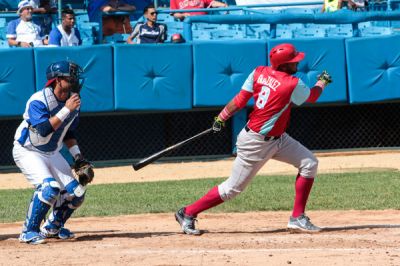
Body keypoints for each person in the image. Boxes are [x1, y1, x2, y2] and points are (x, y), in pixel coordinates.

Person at [174, 43, 333, 235]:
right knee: (231, 189)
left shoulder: (259, 72)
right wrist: (322, 82)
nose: (297, 63)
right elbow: (313, 96)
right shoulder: (292, 83)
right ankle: (187, 212)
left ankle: (297, 218)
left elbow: (240, 99)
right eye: (293, 61)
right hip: (256, 142)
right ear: (284, 65)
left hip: (278, 139)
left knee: (309, 163)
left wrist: (221, 117)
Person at [13, 60, 94, 244]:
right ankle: (28, 231)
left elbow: (68, 132)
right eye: (70, 77)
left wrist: (78, 157)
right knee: (50, 189)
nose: (75, 81)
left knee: (77, 193)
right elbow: (43, 129)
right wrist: (67, 109)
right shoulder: (38, 100)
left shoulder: (73, 101)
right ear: (57, 80)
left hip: (52, 152)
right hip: (28, 151)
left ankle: (52, 227)